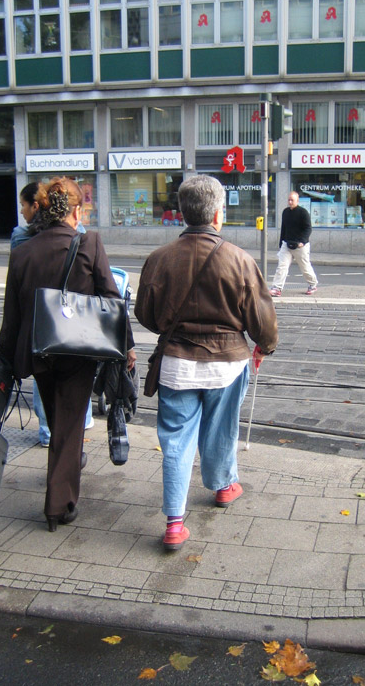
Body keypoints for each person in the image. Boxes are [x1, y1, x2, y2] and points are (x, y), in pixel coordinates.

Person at [135, 175, 278, 551]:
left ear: (184, 213)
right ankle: (223, 487)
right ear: (218, 214)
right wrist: (264, 346)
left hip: (176, 363)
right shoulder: (240, 259)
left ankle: (174, 523)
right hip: (228, 365)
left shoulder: (159, 259)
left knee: (176, 441)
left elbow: (146, 314)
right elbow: (261, 317)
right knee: (220, 429)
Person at [0, 176, 136, 532]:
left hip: (39, 351)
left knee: (61, 421)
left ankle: (61, 494)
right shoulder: (88, 243)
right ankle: (58, 505)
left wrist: (5, 359)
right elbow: (111, 298)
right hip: (78, 350)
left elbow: (11, 314)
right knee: (68, 427)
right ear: (76, 210)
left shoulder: (22, 252)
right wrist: (127, 346)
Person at [10, 183, 93, 447]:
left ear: (39, 207)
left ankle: (53, 435)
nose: (22, 210)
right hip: (76, 335)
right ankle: (68, 438)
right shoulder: (84, 239)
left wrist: (7, 353)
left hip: (40, 336)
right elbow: (107, 295)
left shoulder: (22, 242)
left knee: (50, 399)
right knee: (69, 417)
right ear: (76, 212)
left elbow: (13, 306)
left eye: (24, 205)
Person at [269, 191, 319, 297]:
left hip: (300, 245)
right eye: (289, 200)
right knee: (282, 266)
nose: (290, 202)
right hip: (287, 244)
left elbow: (308, 228)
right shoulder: (285, 212)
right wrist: (281, 243)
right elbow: (284, 228)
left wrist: (302, 241)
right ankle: (277, 288)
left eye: (292, 200)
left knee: (305, 267)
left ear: (297, 201)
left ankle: (313, 284)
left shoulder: (303, 212)